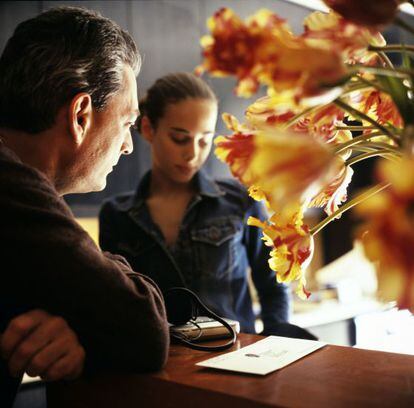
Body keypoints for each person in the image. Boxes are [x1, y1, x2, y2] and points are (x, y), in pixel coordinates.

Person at [0, 6, 169, 407]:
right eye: (127, 122)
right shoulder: (12, 185)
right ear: (80, 115)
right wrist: (104, 283)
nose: (128, 146)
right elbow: (144, 326)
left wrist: (77, 320)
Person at [99, 72, 290, 335]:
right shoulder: (116, 215)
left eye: (204, 140)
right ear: (148, 129)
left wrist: (275, 346)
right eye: (180, 138)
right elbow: (116, 304)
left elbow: (274, 286)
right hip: (158, 364)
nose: (192, 154)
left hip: (236, 361)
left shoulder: (242, 202)